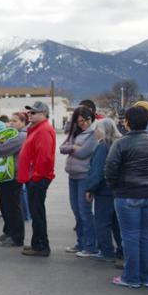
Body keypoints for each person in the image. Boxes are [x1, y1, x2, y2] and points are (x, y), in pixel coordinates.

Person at [105, 105, 148, 287]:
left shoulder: (121, 143)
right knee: (146, 236)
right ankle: (147, 277)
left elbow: (110, 170)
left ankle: (131, 277)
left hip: (128, 195)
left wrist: (116, 187)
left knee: (130, 236)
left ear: (127, 122)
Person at [16, 100, 56, 258]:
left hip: (38, 178)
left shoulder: (44, 130)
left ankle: (41, 246)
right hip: (34, 177)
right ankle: (36, 243)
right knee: (36, 212)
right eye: (29, 112)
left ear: (43, 114)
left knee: (37, 213)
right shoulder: (36, 129)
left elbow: (44, 157)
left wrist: (36, 177)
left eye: (33, 112)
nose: (29, 115)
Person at [61, 106, 99, 255]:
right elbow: (61, 148)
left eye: (86, 120)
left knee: (85, 212)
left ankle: (90, 246)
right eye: (80, 121)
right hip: (73, 176)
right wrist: (73, 147)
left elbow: (84, 153)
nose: (84, 123)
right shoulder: (75, 132)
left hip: (85, 176)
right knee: (76, 211)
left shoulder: (94, 133)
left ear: (92, 118)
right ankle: (81, 242)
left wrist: (72, 148)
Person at [83, 118, 120, 264]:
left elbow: (97, 170)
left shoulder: (102, 146)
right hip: (117, 190)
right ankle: (121, 250)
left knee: (102, 222)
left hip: (104, 190)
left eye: (97, 129)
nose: (95, 132)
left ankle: (106, 251)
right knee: (116, 222)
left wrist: (90, 188)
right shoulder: (118, 144)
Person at [0, 117, 26, 248]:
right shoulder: (10, 134)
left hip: (13, 175)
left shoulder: (21, 136)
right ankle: (8, 231)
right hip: (4, 174)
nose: (11, 123)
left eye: (15, 121)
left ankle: (17, 237)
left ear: (23, 123)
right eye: (11, 121)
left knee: (13, 206)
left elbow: (1, 148)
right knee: (5, 206)